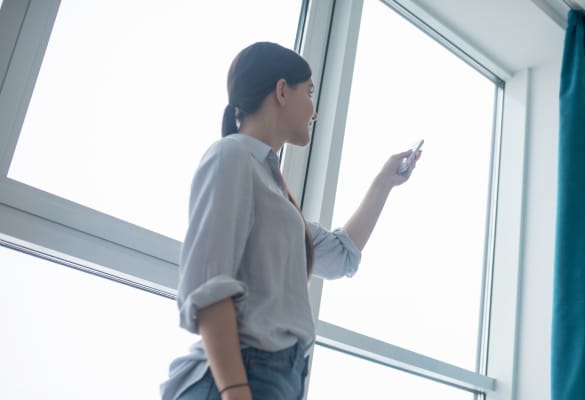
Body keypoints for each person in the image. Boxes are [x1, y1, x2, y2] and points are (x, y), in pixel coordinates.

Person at [160, 42, 420, 400]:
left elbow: (340, 256)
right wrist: (236, 391)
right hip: (236, 379)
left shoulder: (277, 197)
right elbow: (209, 288)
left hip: (275, 379)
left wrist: (384, 183)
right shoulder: (231, 156)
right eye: (309, 93)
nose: (314, 111)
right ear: (282, 91)